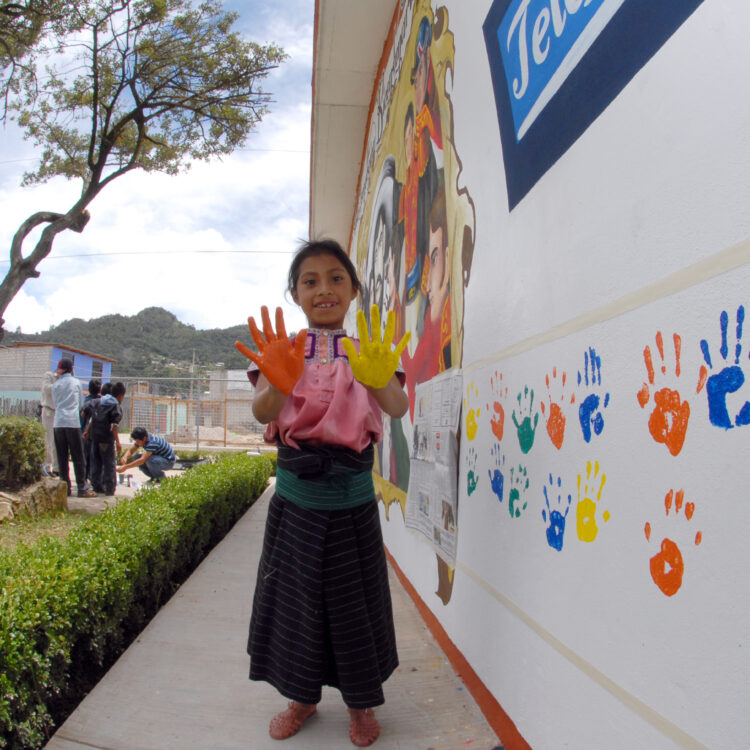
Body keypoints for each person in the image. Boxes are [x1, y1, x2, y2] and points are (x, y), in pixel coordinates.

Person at [235, 238, 410, 747]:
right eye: (310, 281)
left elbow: (396, 407)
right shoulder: (281, 350)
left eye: (336, 278)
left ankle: (361, 705)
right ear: (295, 293)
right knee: (295, 604)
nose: (324, 289)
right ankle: (301, 699)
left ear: (354, 289)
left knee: (355, 606)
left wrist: (378, 380)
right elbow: (263, 414)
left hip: (352, 500)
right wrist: (279, 383)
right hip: (295, 502)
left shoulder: (370, 348)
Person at [52, 358, 97, 498]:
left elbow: (55, 404)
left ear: (60, 371)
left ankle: (65, 488)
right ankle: (82, 488)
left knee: (62, 457)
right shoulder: (76, 383)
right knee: (78, 456)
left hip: (58, 422)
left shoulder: (56, 385)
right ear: (72, 369)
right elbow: (79, 404)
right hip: (72, 422)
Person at [85, 382, 126, 496]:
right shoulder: (115, 405)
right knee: (108, 463)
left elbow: (91, 417)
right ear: (121, 395)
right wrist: (118, 442)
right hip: (106, 439)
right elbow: (114, 426)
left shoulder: (99, 401)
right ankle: (109, 488)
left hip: (94, 437)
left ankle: (97, 486)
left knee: (96, 462)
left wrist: (87, 432)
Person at [81, 378, 101, 483]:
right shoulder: (101, 401)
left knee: (86, 454)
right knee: (95, 456)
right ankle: (93, 477)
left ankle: (85, 476)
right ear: (99, 389)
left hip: (86, 431)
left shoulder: (86, 401)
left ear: (89, 389)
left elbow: (82, 416)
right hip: (97, 432)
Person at [40, 370, 58, 476]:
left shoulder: (64, 380)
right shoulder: (49, 376)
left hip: (59, 412)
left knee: (57, 441)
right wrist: (59, 384)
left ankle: (56, 468)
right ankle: (47, 467)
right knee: (48, 440)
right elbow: (46, 389)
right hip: (49, 411)